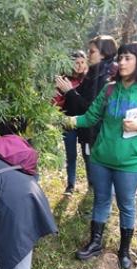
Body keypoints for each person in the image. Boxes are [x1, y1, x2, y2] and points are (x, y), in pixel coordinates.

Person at [66, 42, 137, 269]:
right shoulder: (110, 89)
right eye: (120, 58)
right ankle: (95, 243)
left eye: (127, 58)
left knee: (126, 205)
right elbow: (90, 117)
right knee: (101, 200)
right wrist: (67, 121)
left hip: (130, 162)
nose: (121, 62)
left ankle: (123, 251)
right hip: (101, 158)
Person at [56, 35, 118, 194]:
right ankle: (91, 188)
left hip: (97, 131)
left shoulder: (106, 77)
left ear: (103, 53)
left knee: (93, 160)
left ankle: (98, 189)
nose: (88, 55)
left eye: (92, 51)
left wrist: (69, 91)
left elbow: (90, 108)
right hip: (86, 128)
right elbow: (79, 100)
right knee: (86, 156)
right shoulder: (94, 73)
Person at [52, 51, 89, 196]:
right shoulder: (63, 80)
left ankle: (91, 183)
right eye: (76, 63)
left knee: (88, 154)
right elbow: (55, 101)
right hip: (68, 122)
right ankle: (70, 185)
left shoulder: (88, 80)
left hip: (86, 121)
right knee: (71, 154)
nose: (79, 66)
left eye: (82, 62)